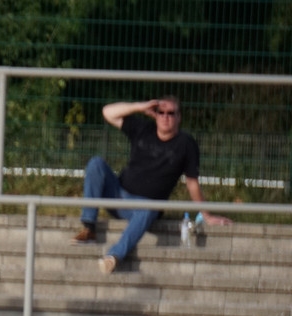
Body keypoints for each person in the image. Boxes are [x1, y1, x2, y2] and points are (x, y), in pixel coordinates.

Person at [70, 96, 232, 274]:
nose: (165, 117)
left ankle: (113, 256)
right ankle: (89, 228)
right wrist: (140, 107)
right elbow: (107, 112)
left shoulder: (186, 144)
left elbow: (192, 183)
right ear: (155, 115)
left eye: (171, 113)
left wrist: (207, 215)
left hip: (145, 207)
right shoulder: (143, 129)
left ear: (179, 117)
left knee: (149, 208)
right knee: (96, 163)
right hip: (117, 194)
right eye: (161, 112)